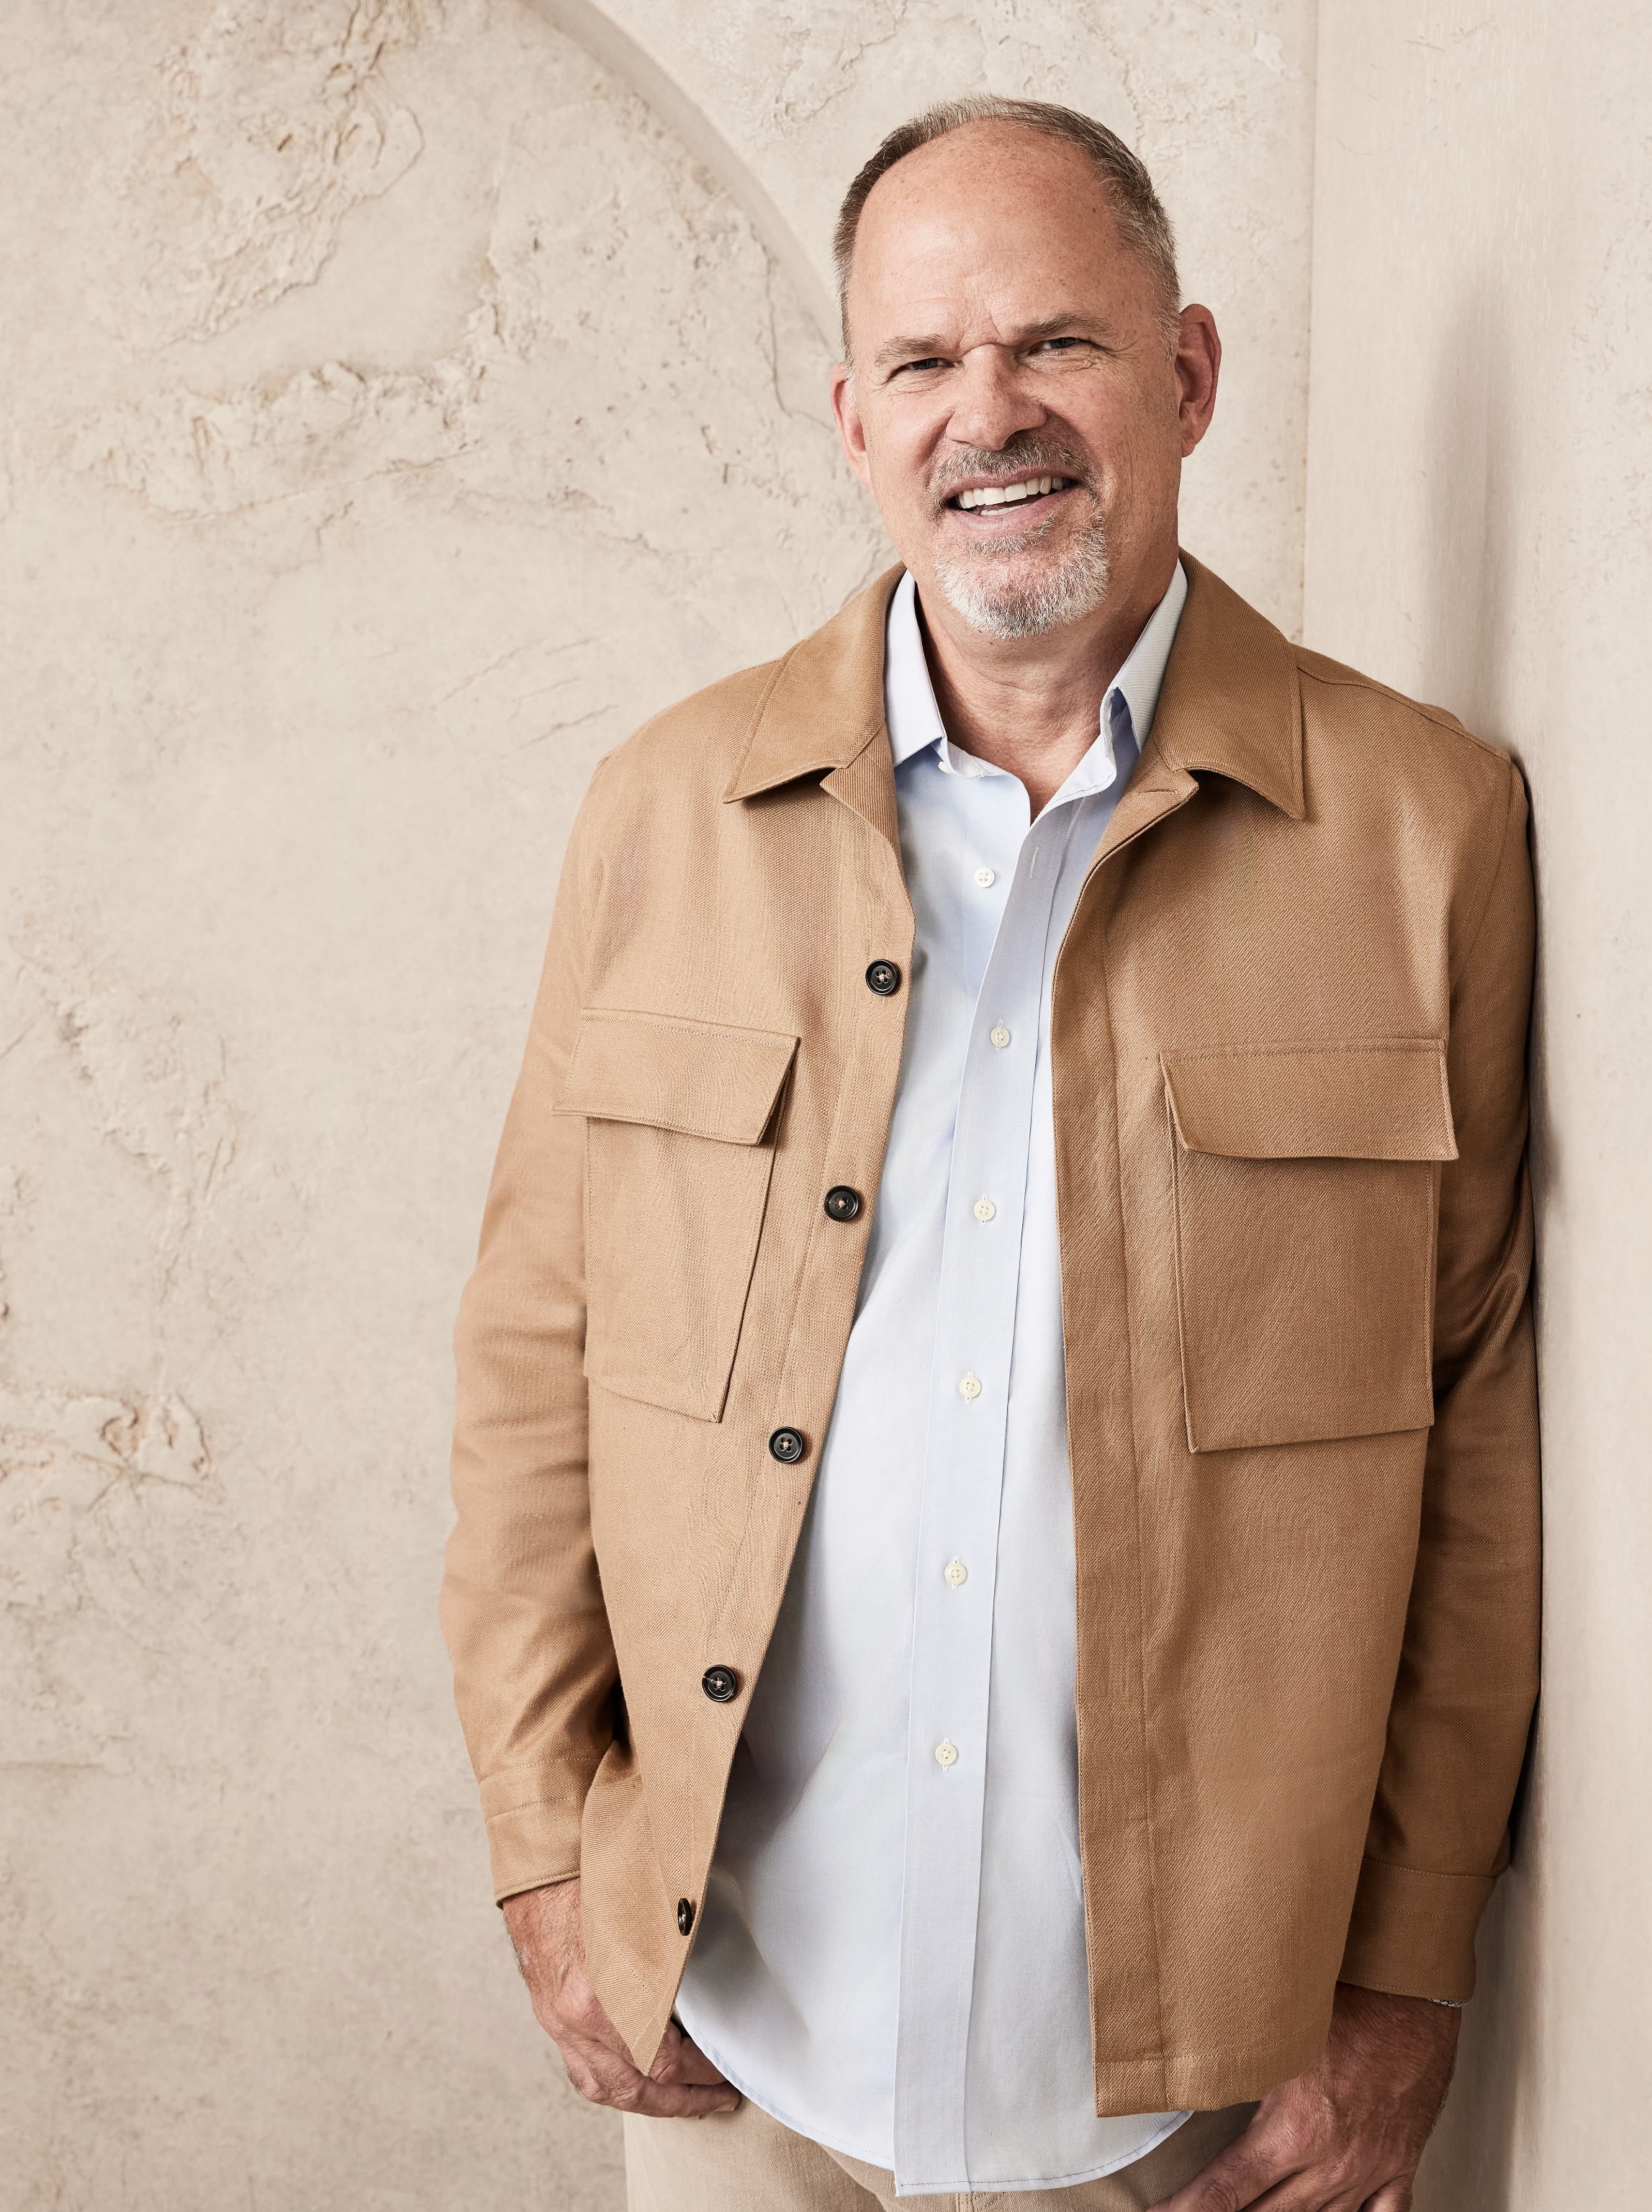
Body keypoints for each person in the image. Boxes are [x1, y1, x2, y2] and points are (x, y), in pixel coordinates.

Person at [440, 96, 1539, 2212]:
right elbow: (529, 1358)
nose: (990, 415)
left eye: (1058, 344)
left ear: (1189, 374)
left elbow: (1472, 1431)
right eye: (926, 363)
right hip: (749, 2064)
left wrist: (1404, 1986)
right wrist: (540, 1851)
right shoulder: (662, 813)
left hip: (1186, 2114)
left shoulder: (1426, 833)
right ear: (851, 418)